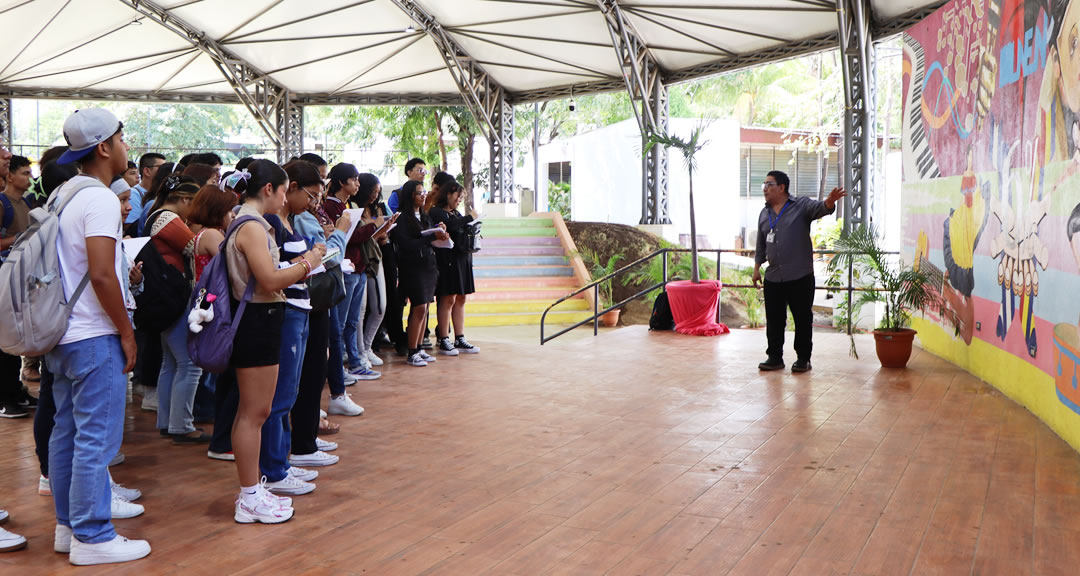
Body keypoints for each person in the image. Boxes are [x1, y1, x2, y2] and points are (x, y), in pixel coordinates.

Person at [47, 107, 150, 564]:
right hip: (94, 333)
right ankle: (92, 535)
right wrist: (126, 332)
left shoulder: (62, 194)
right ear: (104, 147)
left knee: (66, 433)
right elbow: (103, 274)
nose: (127, 147)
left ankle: (68, 527)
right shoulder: (102, 199)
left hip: (61, 332)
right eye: (122, 138)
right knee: (95, 439)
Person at [225, 159, 322, 524]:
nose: (284, 199)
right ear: (269, 189)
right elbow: (268, 279)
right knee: (254, 414)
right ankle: (250, 495)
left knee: (256, 412)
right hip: (257, 318)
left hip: (261, 318)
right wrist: (308, 262)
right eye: (283, 191)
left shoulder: (250, 222)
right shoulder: (251, 225)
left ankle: (253, 490)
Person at [258, 160, 327, 496]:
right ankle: (273, 468)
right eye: (309, 195)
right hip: (286, 310)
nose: (312, 203)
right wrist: (308, 261)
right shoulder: (271, 222)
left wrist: (310, 259)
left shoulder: (288, 221)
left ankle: (282, 462)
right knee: (280, 395)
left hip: (299, 308)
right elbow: (274, 269)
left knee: (289, 392)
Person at [752, 170, 846, 373]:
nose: (765, 189)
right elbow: (761, 245)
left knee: (802, 319)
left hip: (800, 276)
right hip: (773, 276)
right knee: (774, 320)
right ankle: (774, 357)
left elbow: (821, 208)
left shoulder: (801, 205)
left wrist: (830, 202)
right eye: (764, 185)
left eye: (769, 184)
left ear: (781, 187)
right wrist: (756, 269)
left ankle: (803, 359)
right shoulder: (764, 213)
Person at [292, 162, 355, 463]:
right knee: (308, 373)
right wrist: (339, 233)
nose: (315, 202)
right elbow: (325, 257)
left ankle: (306, 436)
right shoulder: (298, 219)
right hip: (306, 299)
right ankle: (301, 445)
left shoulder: (300, 217)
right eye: (312, 195)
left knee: (314, 370)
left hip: (310, 299)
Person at [145, 175, 207, 443]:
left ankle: (168, 421)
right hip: (175, 296)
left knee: (171, 363)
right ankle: (181, 425)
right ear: (184, 199)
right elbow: (195, 246)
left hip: (164, 297)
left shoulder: (155, 215)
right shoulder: (167, 219)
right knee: (189, 364)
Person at [322, 163, 380, 386]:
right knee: (340, 323)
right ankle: (341, 368)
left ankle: (354, 362)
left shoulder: (347, 205)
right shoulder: (331, 206)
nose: (357, 184)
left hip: (358, 267)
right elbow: (346, 237)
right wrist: (372, 227)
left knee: (353, 321)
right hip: (345, 269)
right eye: (353, 179)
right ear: (340, 182)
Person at [391, 180, 449, 367]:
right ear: (410, 196)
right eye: (419, 193)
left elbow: (430, 237)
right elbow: (406, 245)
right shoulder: (402, 218)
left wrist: (441, 233)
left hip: (428, 265)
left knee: (425, 308)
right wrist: (432, 237)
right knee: (418, 307)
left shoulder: (424, 216)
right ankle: (412, 351)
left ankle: (419, 347)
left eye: (424, 192)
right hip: (412, 268)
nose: (424, 195)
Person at [429, 176, 480, 355]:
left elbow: (459, 225)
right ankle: (444, 338)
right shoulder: (436, 212)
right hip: (446, 261)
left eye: (461, 197)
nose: (459, 200)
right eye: (457, 196)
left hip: (462, 259)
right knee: (447, 298)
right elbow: (450, 226)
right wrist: (469, 217)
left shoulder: (456, 214)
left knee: (461, 298)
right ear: (448, 195)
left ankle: (459, 337)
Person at [0, 148, 32, 418]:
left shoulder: (25, 204)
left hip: (17, 277)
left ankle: (15, 390)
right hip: (4, 277)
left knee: (12, 338)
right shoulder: (3, 204)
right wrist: (22, 238)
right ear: (9, 176)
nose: (29, 178)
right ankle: (5, 396)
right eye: (24, 173)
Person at [357, 174, 397, 367]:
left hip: (376, 257)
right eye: (372, 191)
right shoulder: (353, 208)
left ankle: (367, 346)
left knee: (380, 306)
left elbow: (377, 238)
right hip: (360, 259)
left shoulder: (378, 209)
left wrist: (385, 228)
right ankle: (359, 352)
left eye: (378, 192)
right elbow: (359, 236)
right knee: (360, 310)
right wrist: (376, 226)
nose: (375, 195)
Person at [125, 152, 165, 237]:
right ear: (147, 171)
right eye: (161, 168)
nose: (165, 171)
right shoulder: (134, 194)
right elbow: (131, 228)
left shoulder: (161, 193)